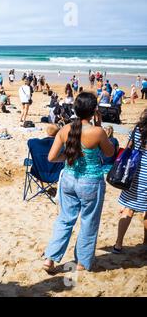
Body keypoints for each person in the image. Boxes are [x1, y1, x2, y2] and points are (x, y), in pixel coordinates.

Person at [43, 92, 115, 272]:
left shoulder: (65, 129)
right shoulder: (97, 132)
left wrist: (68, 157)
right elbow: (110, 153)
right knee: (89, 222)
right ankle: (82, 262)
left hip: (68, 179)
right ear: (94, 111)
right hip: (90, 182)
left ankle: (50, 258)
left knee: (65, 220)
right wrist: (99, 125)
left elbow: (51, 158)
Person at [113, 109, 147, 254]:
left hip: (133, 173)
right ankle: (146, 243)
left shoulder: (137, 130)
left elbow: (128, 147)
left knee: (128, 208)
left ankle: (118, 244)